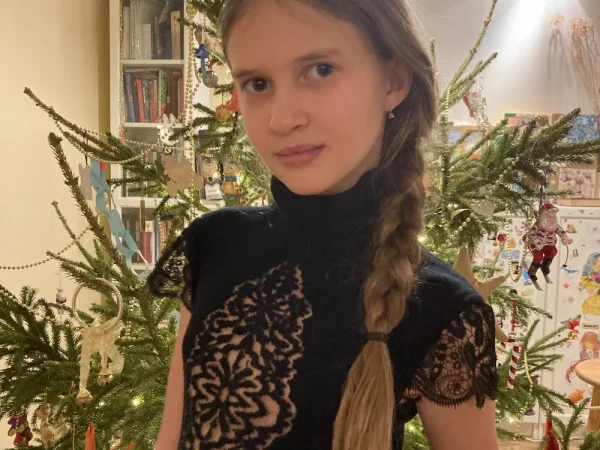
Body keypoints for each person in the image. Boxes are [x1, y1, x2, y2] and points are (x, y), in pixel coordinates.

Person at [147, 0, 499, 448]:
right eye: (257, 83)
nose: (282, 119)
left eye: (320, 70)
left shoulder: (444, 307)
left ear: (393, 81)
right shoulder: (214, 244)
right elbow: (171, 437)